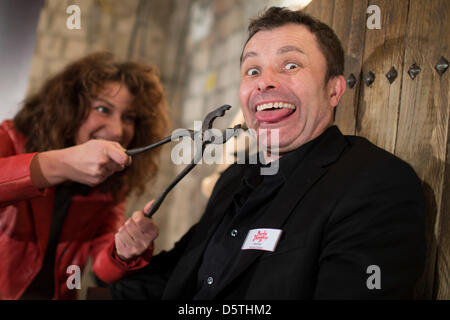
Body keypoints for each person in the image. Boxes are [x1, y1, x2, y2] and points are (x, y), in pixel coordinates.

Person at [109, 7, 425, 299]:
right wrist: (129, 254)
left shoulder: (374, 183)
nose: (265, 82)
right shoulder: (235, 178)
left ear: (333, 89)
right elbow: (177, 279)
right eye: (253, 70)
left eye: (290, 64)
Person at [0, 52, 166, 299]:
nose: (117, 130)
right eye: (102, 109)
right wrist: (62, 164)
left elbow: (103, 266)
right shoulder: (12, 138)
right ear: (70, 107)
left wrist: (125, 252)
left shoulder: (110, 185)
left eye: (128, 117)